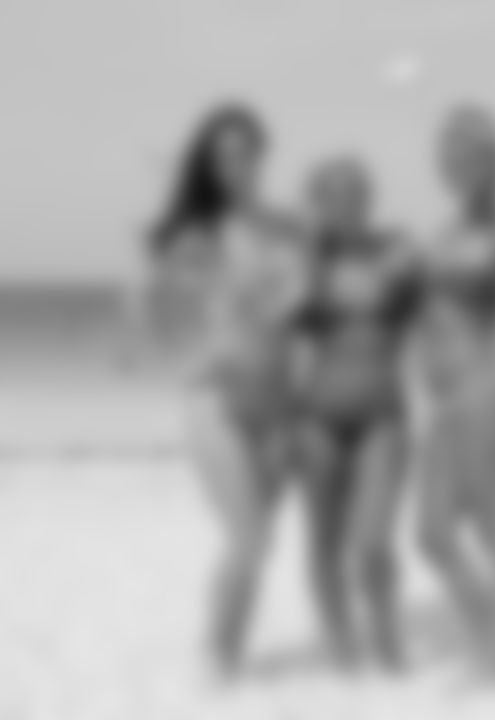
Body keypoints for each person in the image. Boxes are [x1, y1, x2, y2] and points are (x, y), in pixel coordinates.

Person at [143, 101, 310, 682]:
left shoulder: (289, 228)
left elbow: (304, 321)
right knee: (248, 536)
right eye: (223, 155)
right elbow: (160, 318)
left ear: (262, 155)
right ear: (209, 164)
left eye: (246, 151)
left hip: (279, 400)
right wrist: (205, 360)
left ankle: (228, 651)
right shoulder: (195, 234)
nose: (236, 163)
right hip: (215, 400)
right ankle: (217, 661)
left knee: (260, 543)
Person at [412, 103, 495, 681]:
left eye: (473, 157)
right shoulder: (444, 231)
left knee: (494, 527)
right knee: (433, 533)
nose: (461, 167)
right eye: (452, 157)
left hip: (489, 391)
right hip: (445, 398)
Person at [286, 156, 423, 675]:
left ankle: (386, 637)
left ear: (370, 198)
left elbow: (442, 319)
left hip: (382, 414)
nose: (349, 202)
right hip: (315, 417)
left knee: (372, 543)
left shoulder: (398, 252)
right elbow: (275, 339)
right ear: (319, 202)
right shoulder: (303, 262)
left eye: (358, 191)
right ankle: (340, 643)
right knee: (323, 543)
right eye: (335, 193)